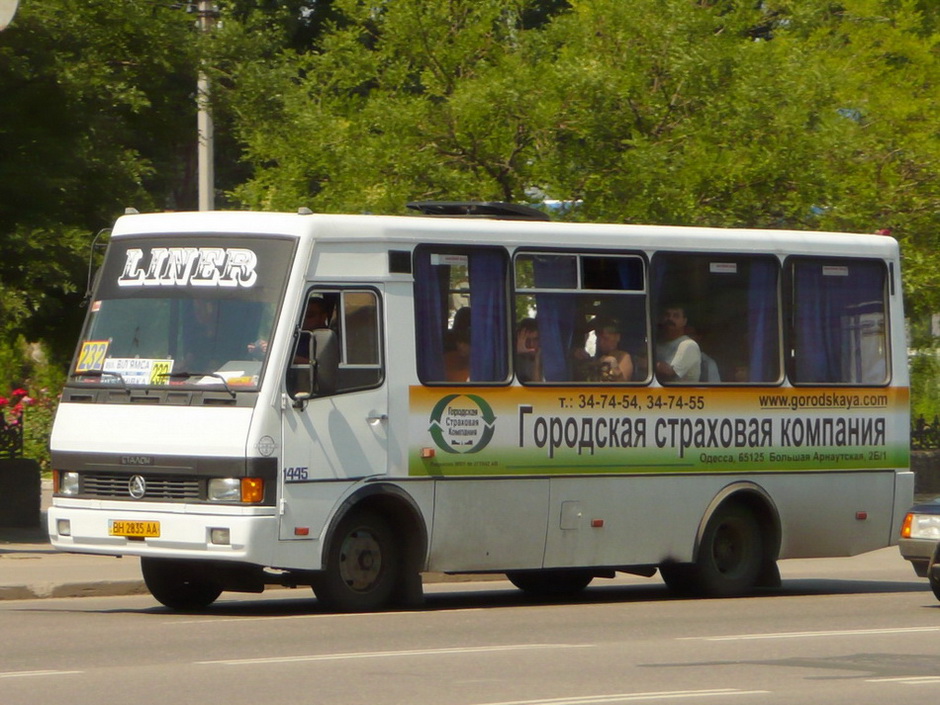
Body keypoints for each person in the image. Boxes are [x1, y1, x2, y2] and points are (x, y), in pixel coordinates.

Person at [655, 304, 701, 382]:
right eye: (667, 315)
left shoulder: (688, 345)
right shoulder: (658, 345)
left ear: (684, 321)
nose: (670, 319)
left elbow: (668, 373)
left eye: (676, 316)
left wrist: (646, 364)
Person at [587, 317, 633, 382]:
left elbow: (623, 385)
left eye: (606, 338)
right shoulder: (596, 358)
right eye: (599, 339)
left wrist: (614, 366)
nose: (601, 342)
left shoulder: (623, 356)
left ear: (617, 337)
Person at [294, 297, 331, 364]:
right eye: (302, 315)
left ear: (323, 317)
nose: (304, 319)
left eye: (309, 315)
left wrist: (293, 359)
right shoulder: (297, 335)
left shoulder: (328, 339)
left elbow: (321, 366)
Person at [515, 317, 541, 382]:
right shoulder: (512, 361)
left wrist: (536, 360)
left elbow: (537, 387)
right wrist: (517, 354)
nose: (531, 344)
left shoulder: (548, 360)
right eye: (527, 340)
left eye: (535, 339)